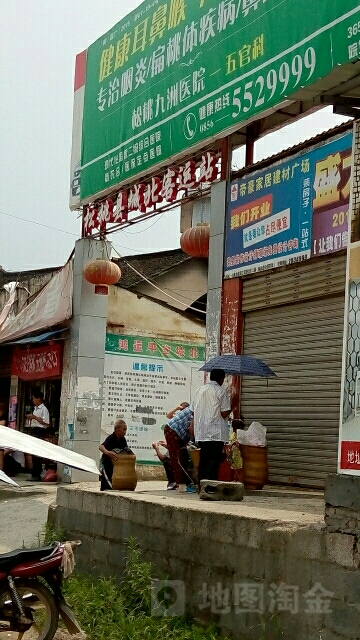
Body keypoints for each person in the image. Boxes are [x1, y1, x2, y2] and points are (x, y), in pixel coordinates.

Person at [190, 369, 232, 486]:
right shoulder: (221, 391)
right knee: (213, 461)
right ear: (221, 379)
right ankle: (209, 487)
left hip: (202, 432)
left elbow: (193, 411)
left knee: (203, 460)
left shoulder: (199, 390)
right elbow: (224, 413)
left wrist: (192, 427)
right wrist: (233, 404)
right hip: (215, 433)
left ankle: (201, 485)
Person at [164, 405, 196, 493]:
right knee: (177, 459)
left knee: (184, 458)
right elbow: (191, 430)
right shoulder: (197, 409)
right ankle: (182, 486)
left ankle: (187, 483)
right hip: (172, 430)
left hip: (179, 434)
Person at [26, 389, 50, 481]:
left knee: (37, 454)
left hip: (40, 431)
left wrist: (35, 417)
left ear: (39, 398)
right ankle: (34, 474)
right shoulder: (35, 408)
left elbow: (46, 423)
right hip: (34, 430)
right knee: (33, 453)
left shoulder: (44, 409)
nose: (33, 400)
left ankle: (37, 474)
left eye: (34, 398)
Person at [99, 419, 129, 491]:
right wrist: (108, 453)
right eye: (123, 429)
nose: (125, 432)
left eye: (126, 430)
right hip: (107, 466)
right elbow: (101, 447)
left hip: (116, 468)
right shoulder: (111, 438)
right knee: (106, 486)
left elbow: (126, 451)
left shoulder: (123, 440)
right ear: (117, 429)